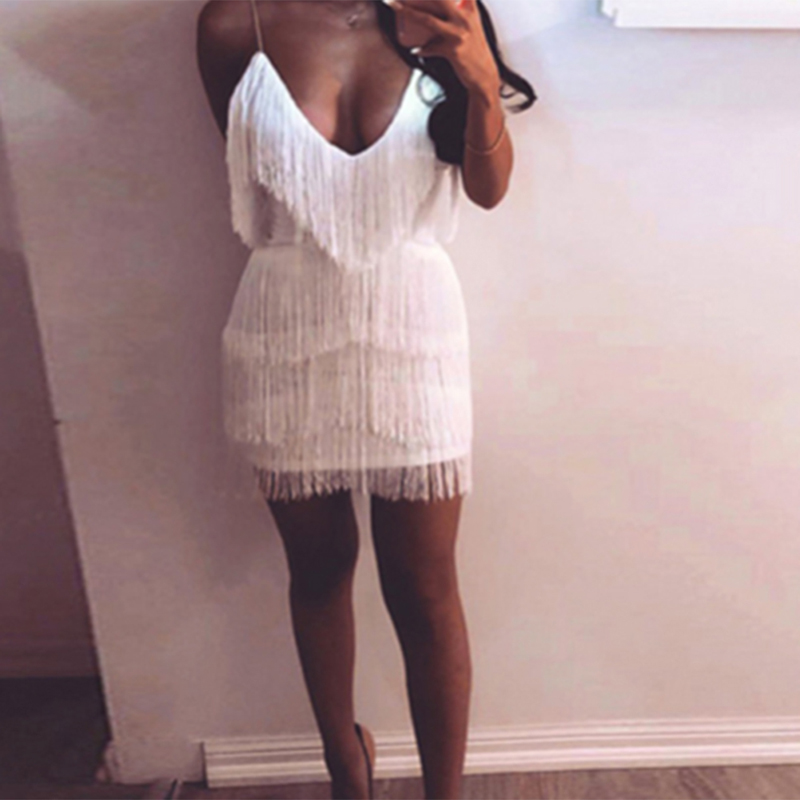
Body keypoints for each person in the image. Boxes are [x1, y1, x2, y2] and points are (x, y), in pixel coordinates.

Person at [197, 2, 535, 798]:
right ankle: (347, 768)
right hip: (284, 334)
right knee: (318, 570)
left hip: (414, 333)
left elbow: (488, 190)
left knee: (425, 586)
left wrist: (478, 80)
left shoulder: (443, 11)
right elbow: (257, 175)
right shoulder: (233, 22)